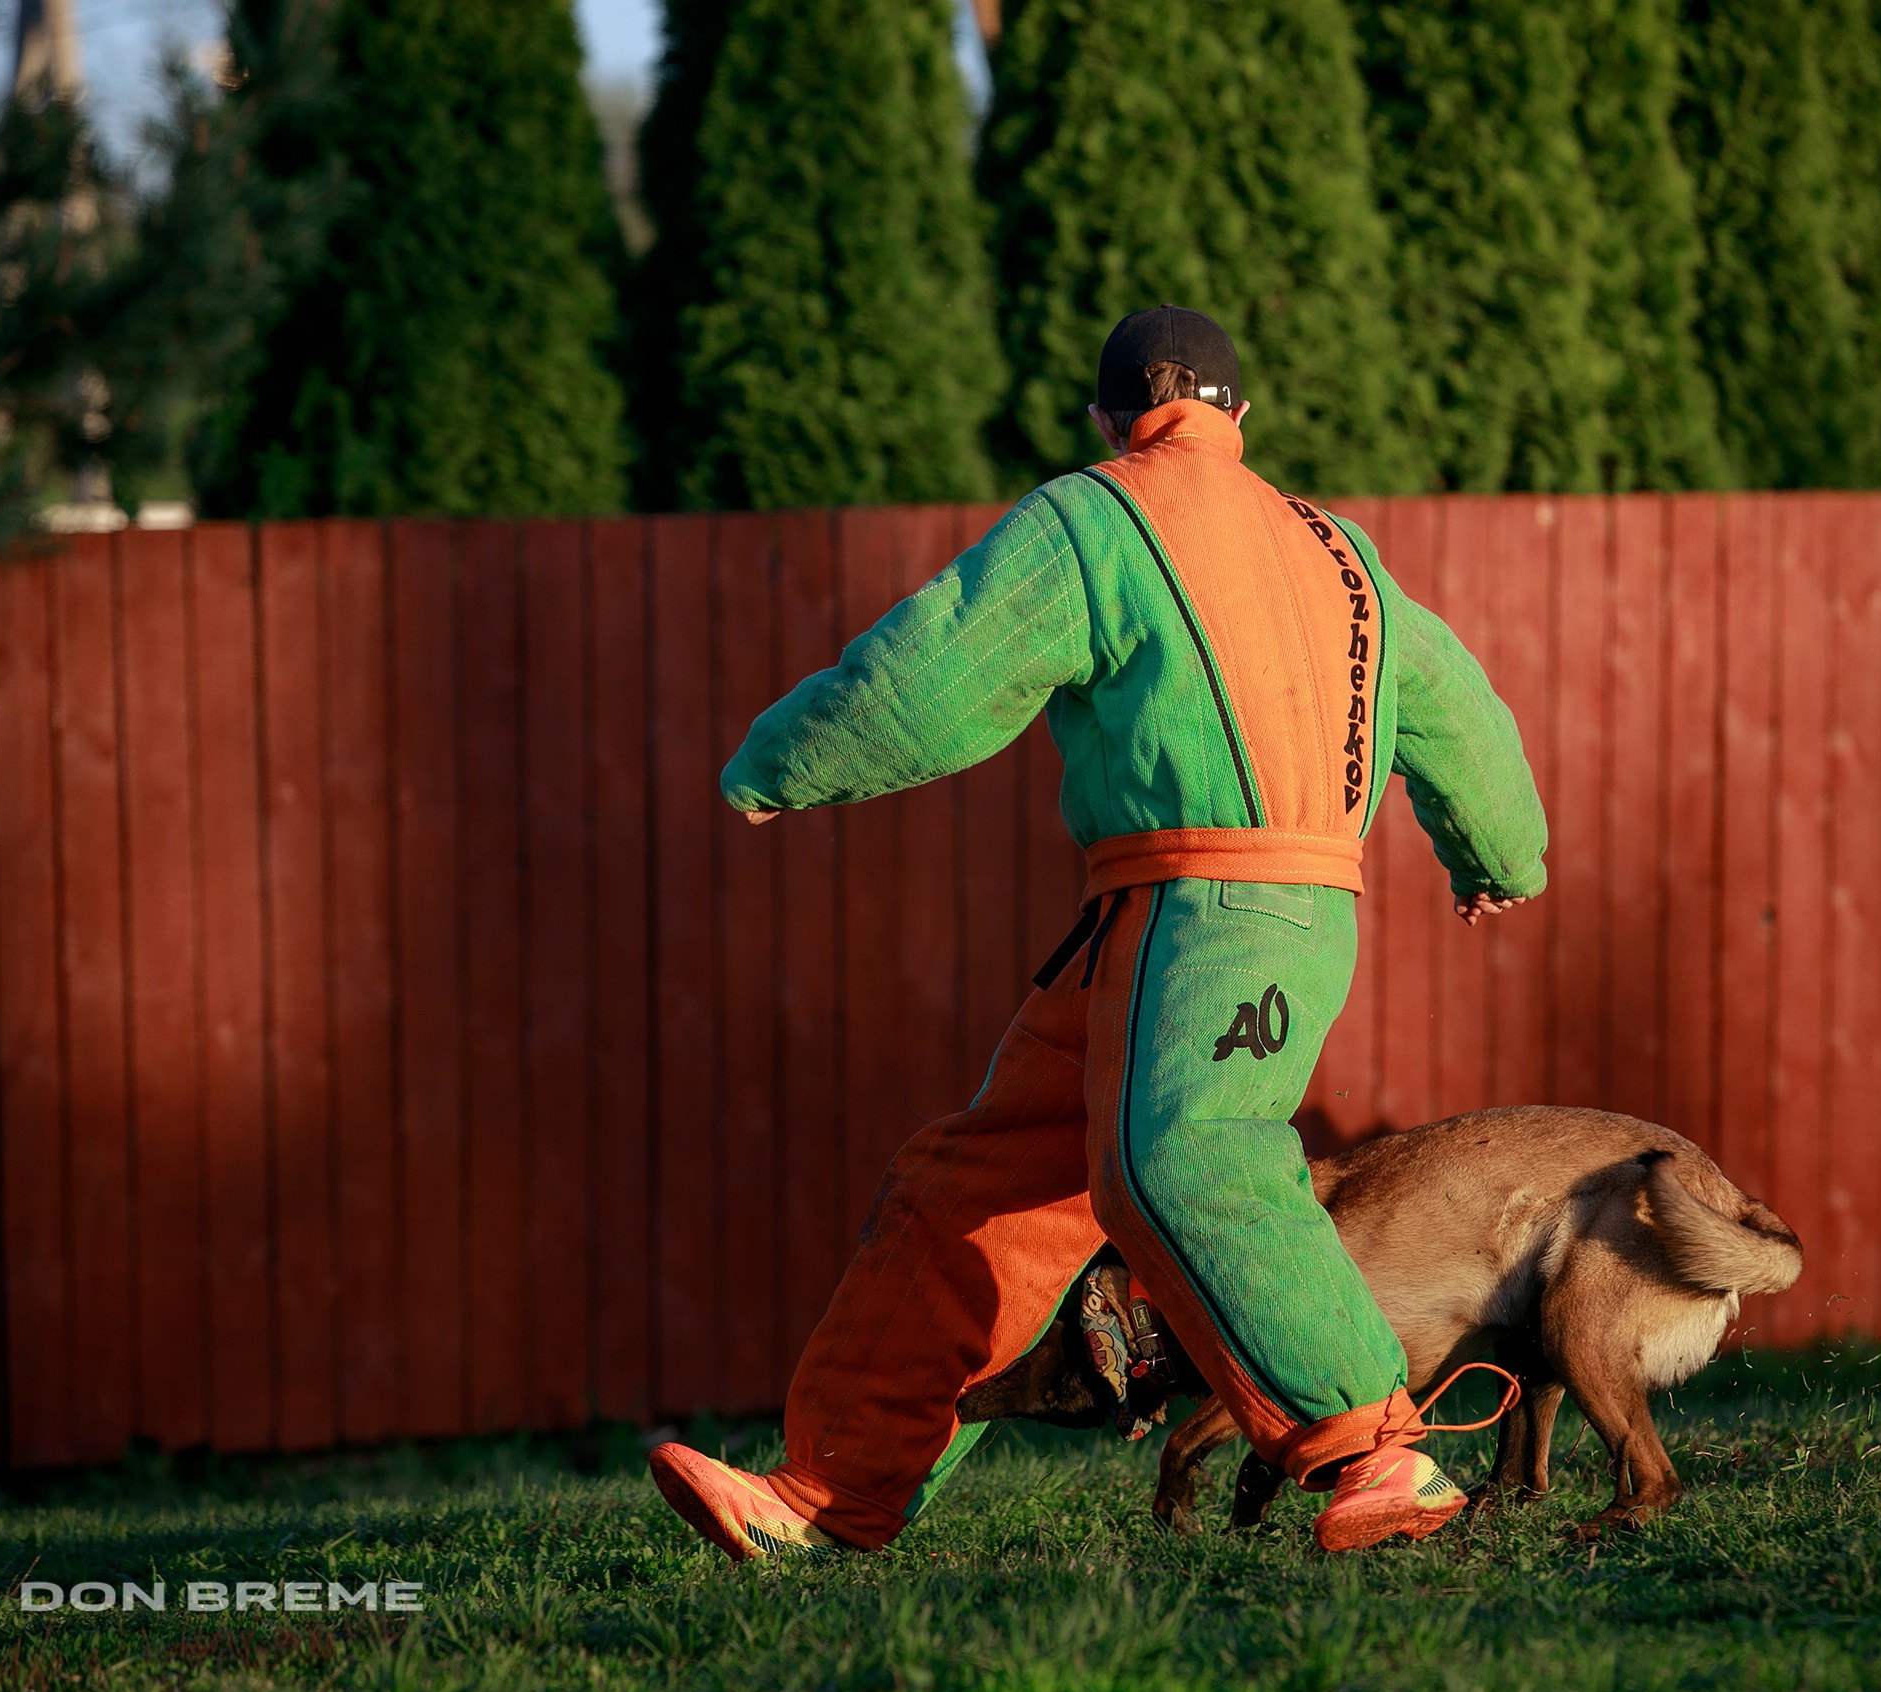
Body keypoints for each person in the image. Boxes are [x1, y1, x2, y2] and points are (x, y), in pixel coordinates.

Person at [649, 307, 1548, 1559]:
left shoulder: (1095, 517)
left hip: (1217, 919)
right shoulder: (1343, 553)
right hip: (1187, 921)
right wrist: (1498, 856)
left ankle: (1373, 1448)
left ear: (1110, 419)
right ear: (1239, 417)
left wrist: (776, 764)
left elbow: (930, 680)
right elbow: (1460, 715)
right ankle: (828, 1491)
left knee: (1184, 1158)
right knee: (981, 1187)